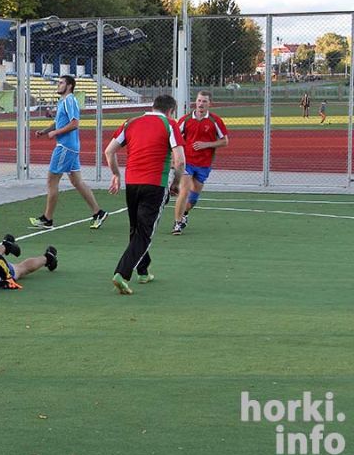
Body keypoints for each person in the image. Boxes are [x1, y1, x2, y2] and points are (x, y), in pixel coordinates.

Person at [104, 94, 185, 295]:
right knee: (144, 234)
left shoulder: (130, 122)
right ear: (170, 111)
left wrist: (116, 174)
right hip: (155, 184)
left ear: (153, 107)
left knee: (136, 229)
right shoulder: (170, 124)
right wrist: (176, 183)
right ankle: (122, 274)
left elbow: (109, 151)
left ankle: (143, 271)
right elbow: (180, 160)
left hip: (132, 183)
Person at [29, 75, 108, 230]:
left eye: (61, 83)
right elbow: (59, 122)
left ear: (69, 86)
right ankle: (98, 213)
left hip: (65, 147)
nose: (58, 85)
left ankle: (47, 219)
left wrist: (55, 133)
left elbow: (74, 124)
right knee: (77, 182)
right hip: (69, 147)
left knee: (52, 181)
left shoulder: (70, 101)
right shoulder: (62, 101)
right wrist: (45, 131)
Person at [170, 91, 229, 235]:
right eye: (199, 100)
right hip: (187, 162)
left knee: (192, 200)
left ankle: (184, 213)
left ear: (210, 104)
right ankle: (177, 223)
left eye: (204, 101)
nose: (201, 104)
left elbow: (225, 141)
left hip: (204, 164)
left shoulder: (215, 121)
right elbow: (173, 138)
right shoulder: (185, 119)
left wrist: (206, 144)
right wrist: (174, 158)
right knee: (184, 190)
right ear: (195, 102)